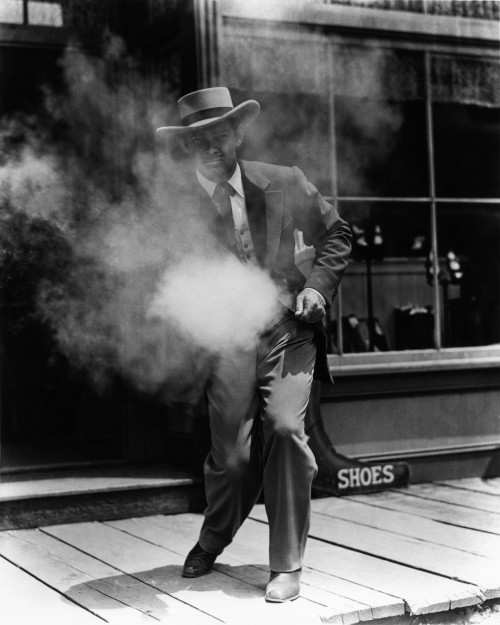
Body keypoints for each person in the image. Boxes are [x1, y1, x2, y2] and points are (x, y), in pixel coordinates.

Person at [156, 87, 351, 602]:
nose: (210, 146)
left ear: (238, 132)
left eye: (219, 134)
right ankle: (214, 538)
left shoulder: (284, 181)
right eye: (197, 140)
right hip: (227, 339)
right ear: (186, 148)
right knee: (234, 459)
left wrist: (315, 287)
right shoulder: (175, 209)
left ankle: (286, 564)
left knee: (286, 431)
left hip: (288, 329)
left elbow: (338, 235)